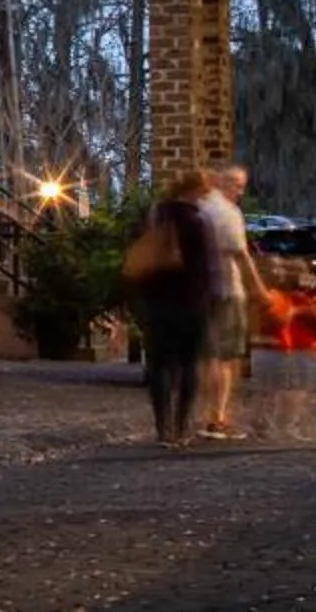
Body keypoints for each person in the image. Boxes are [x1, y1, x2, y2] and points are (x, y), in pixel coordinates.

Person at [129, 168, 216, 447]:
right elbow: (204, 267)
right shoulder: (197, 222)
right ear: (196, 191)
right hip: (190, 300)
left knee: (158, 365)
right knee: (189, 363)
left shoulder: (153, 215)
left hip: (156, 300)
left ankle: (162, 427)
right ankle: (181, 426)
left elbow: (137, 253)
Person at [196, 163, 262, 437]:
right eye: (237, 185)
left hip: (201, 290)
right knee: (226, 357)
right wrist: (258, 287)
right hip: (227, 288)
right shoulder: (229, 213)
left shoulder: (200, 208)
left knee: (207, 354)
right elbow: (240, 254)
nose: (240, 191)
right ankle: (218, 417)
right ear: (224, 183)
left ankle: (206, 412)